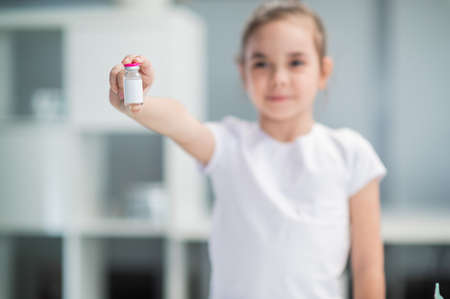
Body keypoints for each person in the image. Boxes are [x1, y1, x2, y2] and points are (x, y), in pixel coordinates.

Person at [108, 1, 387, 298]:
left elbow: (367, 266)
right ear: (243, 73)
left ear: (323, 71)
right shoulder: (229, 144)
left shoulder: (351, 153)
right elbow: (180, 122)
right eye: (261, 63)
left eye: (296, 63)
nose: (279, 78)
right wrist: (137, 103)